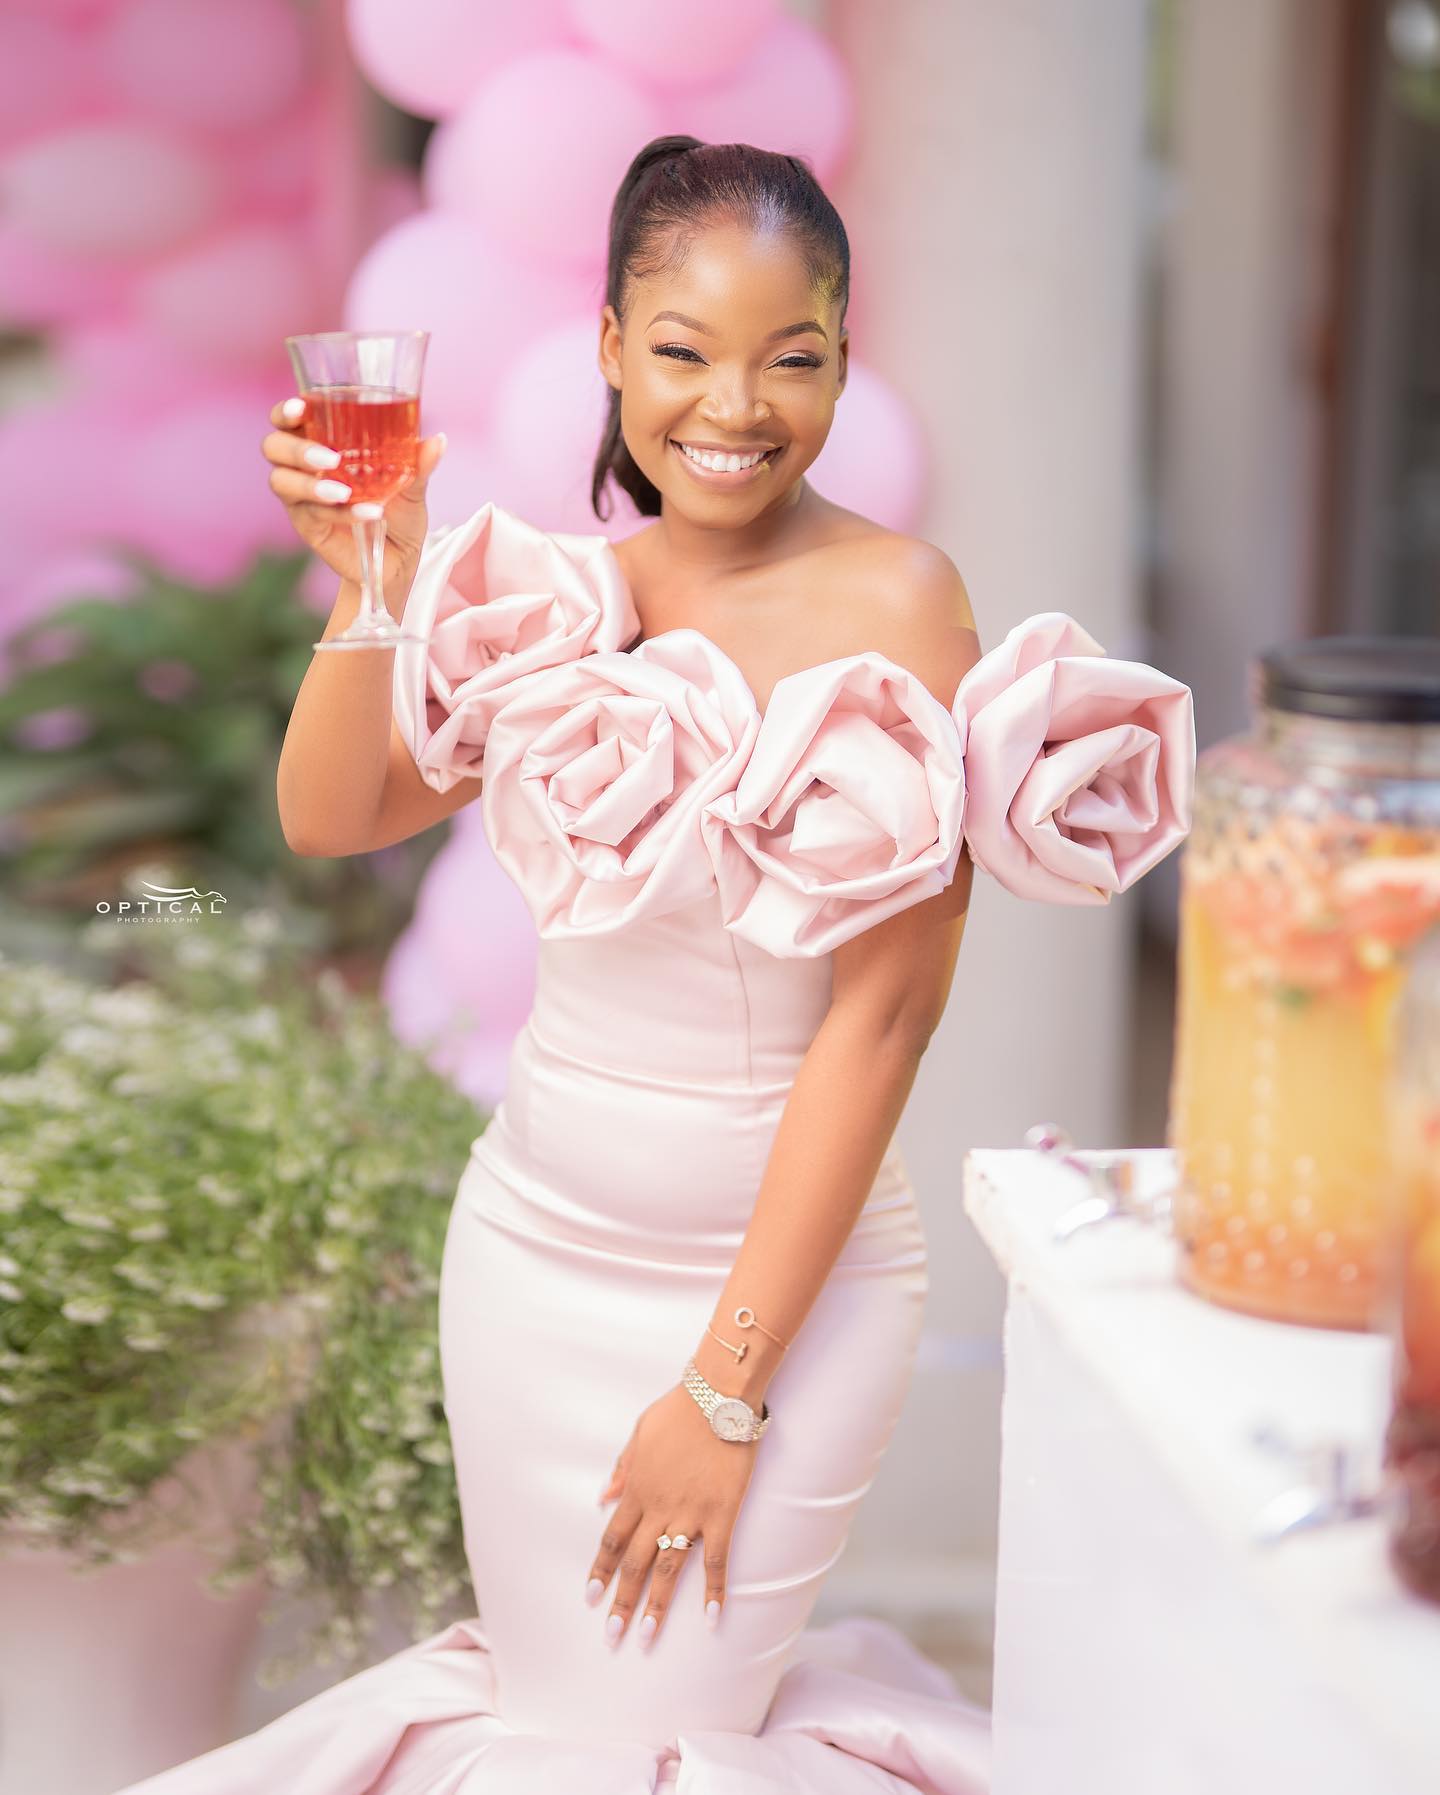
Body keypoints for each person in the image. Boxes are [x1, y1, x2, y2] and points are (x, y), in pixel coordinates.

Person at [114, 136, 1191, 1794]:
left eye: (794, 358)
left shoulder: (901, 601)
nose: (735, 406)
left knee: (650, 1741)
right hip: (530, 1264)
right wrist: (376, 582)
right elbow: (334, 814)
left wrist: (723, 1393)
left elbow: (887, 1017)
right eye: (683, 351)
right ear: (610, 347)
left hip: (776, 1309)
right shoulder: (558, 606)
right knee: (561, 1729)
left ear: (845, 356)